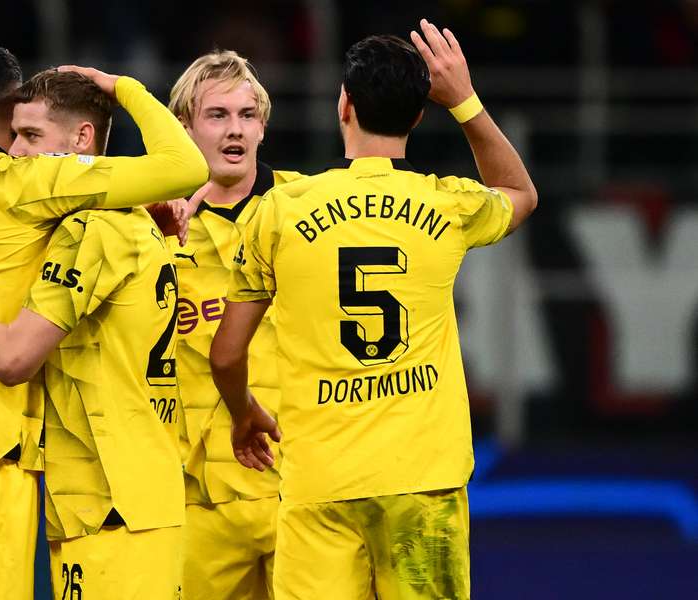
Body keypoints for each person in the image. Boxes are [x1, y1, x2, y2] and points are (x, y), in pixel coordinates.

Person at [210, 22, 537, 600]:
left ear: (344, 104)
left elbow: (228, 353)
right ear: (417, 117)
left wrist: (244, 413)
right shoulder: (449, 203)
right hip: (423, 484)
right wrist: (464, 101)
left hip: (319, 483)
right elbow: (521, 193)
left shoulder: (279, 212)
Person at [0, 44, 206, 600]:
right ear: (10, 106)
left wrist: (133, 210)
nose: (19, 151)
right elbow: (184, 167)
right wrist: (122, 87)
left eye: (31, 137)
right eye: (18, 135)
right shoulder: (29, 189)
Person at [166, 50, 302, 599]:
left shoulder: (305, 208)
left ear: (263, 126)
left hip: (300, 484)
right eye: (216, 115)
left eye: (247, 115)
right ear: (184, 127)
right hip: (198, 495)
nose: (235, 129)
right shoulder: (147, 226)